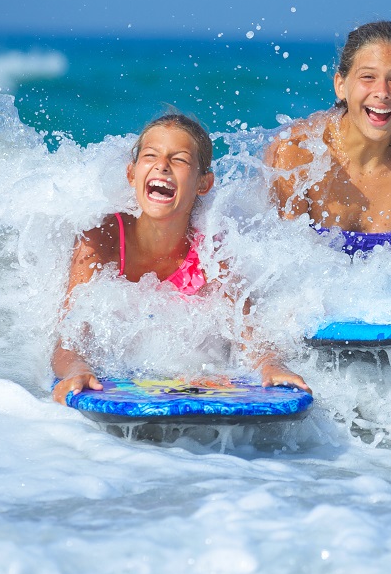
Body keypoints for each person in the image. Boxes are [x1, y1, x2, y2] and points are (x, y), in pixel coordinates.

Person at [51, 112, 309, 404]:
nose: (162, 166)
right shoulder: (100, 239)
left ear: (203, 183)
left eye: (180, 160)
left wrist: (271, 366)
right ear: (131, 174)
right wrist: (77, 369)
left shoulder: (211, 251)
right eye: (150, 156)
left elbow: (251, 337)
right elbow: (68, 340)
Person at [266, 20, 391, 265]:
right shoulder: (296, 151)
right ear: (340, 85)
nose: (382, 92)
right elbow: (284, 275)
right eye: (368, 77)